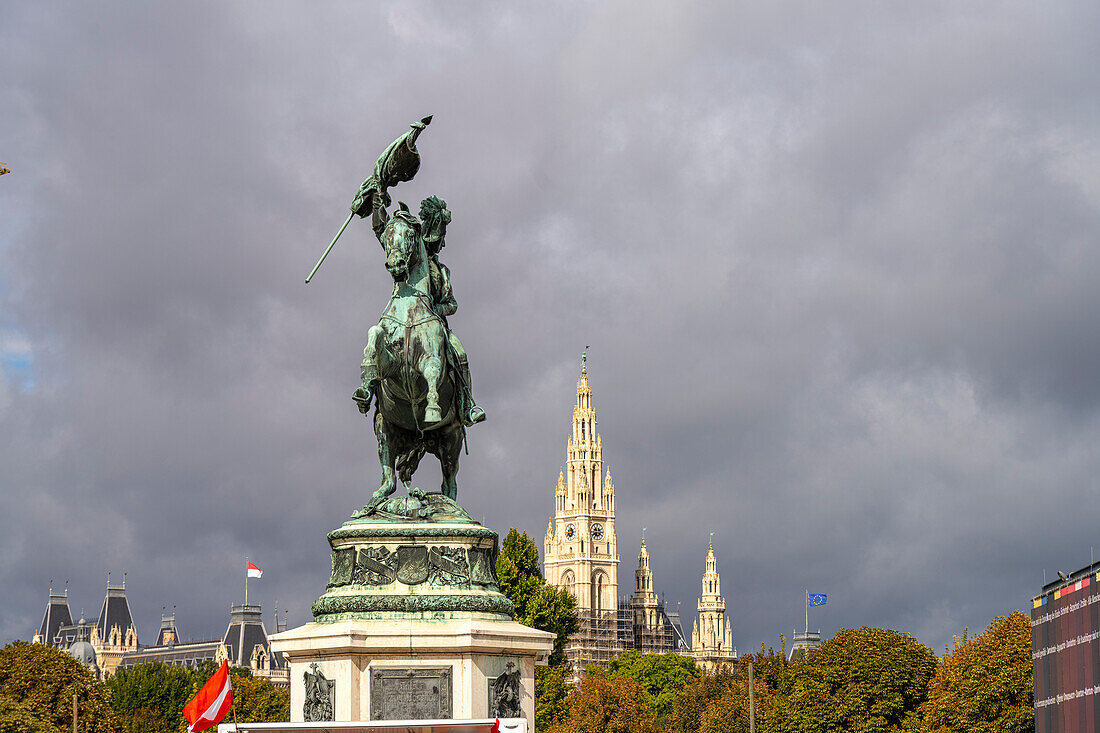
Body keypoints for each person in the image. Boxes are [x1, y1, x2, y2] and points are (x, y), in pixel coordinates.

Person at [353, 177, 486, 426]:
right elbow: (384, 232)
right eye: (432, 238)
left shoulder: (441, 271)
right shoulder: (410, 264)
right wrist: (377, 203)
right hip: (399, 315)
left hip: (432, 326)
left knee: (459, 350)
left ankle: (468, 404)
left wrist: (436, 308)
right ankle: (367, 389)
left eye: (438, 240)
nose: (435, 242)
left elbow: (452, 303)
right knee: (376, 334)